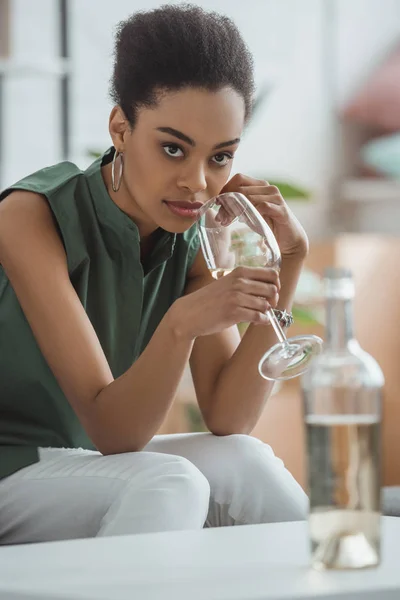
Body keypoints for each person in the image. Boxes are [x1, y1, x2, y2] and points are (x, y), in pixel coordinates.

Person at [0, 4, 309, 544]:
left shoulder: (193, 234)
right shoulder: (30, 217)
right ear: (121, 128)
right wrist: (180, 323)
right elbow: (115, 432)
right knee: (168, 483)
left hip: (79, 467)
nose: (198, 183)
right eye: (172, 149)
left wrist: (290, 259)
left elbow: (228, 415)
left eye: (221, 157)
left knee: (247, 460)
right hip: (13, 462)